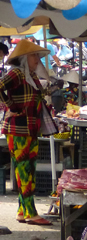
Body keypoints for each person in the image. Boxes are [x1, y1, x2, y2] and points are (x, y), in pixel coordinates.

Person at [0, 40, 52, 225]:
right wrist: (10, 106)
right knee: (25, 171)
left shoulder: (30, 76)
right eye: (34, 55)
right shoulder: (16, 73)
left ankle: (22, 211)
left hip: (31, 128)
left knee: (28, 170)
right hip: (18, 128)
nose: (37, 59)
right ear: (24, 58)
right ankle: (31, 212)